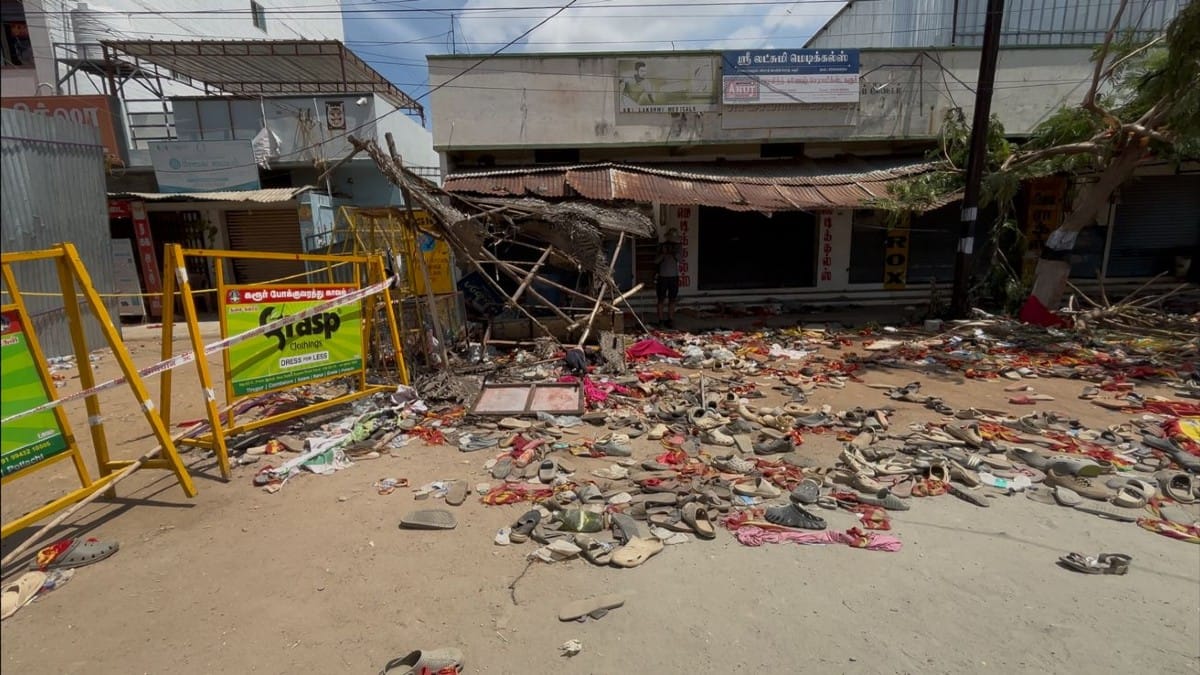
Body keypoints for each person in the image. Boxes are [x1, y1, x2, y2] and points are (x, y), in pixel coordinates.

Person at [655, 230, 681, 328]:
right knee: (661, 299)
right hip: (662, 276)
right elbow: (656, 261)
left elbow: (680, 259)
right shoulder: (661, 246)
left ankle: (671, 319)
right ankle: (660, 320)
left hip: (674, 276)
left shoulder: (678, 247)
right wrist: (663, 253)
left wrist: (673, 253)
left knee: (672, 299)